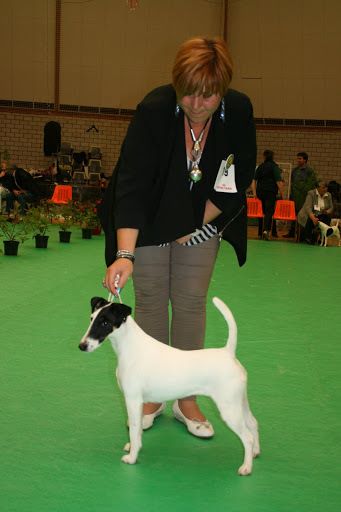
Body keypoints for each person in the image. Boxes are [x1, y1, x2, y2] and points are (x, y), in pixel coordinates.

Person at [100, 37, 256, 438]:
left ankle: (188, 397)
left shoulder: (237, 111)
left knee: (189, 301)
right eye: (188, 93)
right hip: (149, 218)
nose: (198, 103)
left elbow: (238, 177)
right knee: (150, 298)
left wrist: (196, 222)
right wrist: (124, 255)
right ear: (176, 83)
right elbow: (131, 186)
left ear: (224, 88)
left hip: (205, 216)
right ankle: (152, 393)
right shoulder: (153, 110)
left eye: (209, 95)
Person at [252, 150, 284, 240]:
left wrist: (254, 193)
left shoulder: (260, 166)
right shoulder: (274, 167)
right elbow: (278, 181)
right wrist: (282, 194)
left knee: (261, 212)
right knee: (269, 212)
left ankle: (260, 232)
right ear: (272, 157)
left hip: (260, 192)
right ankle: (266, 231)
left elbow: (254, 180)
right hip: (270, 192)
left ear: (264, 156)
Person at [283, 152, 317, 237]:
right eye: (297, 158)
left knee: (302, 216)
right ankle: (291, 232)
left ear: (305, 160)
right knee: (293, 215)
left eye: (300, 158)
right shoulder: (295, 170)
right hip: (294, 196)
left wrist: (302, 190)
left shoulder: (309, 171)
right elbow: (292, 182)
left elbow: (311, 184)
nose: (298, 160)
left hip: (303, 197)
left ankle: (301, 234)